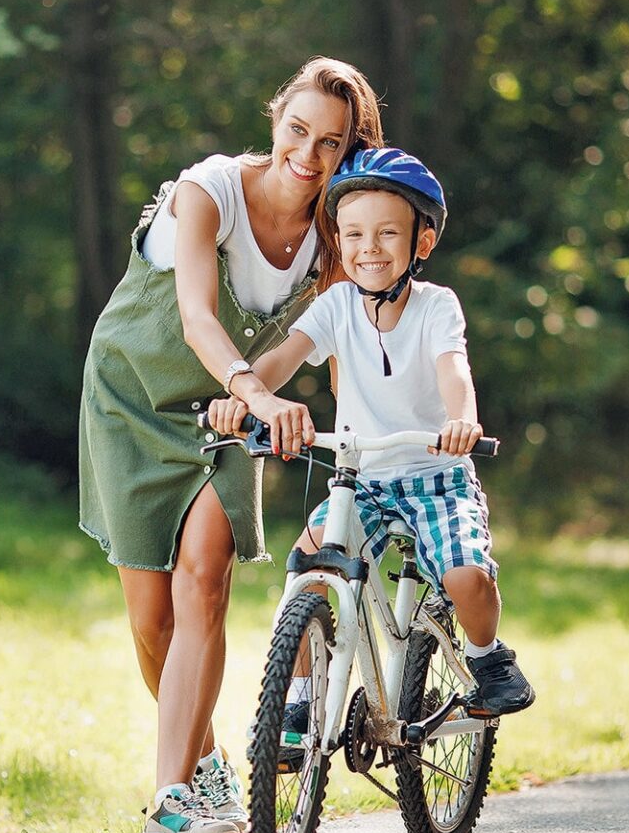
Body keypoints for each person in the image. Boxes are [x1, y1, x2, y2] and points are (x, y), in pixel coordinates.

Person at [78, 57, 385, 833]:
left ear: (350, 150)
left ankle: (169, 802)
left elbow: (333, 339)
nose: (309, 156)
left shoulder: (334, 238)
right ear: (275, 115)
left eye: (331, 143)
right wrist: (255, 388)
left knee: (204, 582)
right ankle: (208, 765)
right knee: (151, 620)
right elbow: (195, 319)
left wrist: (356, 438)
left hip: (228, 415)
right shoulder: (206, 190)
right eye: (298, 130)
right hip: (133, 398)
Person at [207, 147, 535, 721]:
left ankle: (487, 657)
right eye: (354, 234)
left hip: (436, 473)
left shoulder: (436, 306)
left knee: (466, 578)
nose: (369, 248)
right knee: (310, 569)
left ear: (421, 244)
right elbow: (283, 359)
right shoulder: (335, 306)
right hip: (361, 479)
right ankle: (303, 704)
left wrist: (463, 420)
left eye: (387, 233)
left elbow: (452, 368)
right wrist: (243, 394)